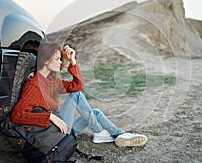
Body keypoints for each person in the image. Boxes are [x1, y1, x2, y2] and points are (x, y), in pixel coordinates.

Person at [11, 42, 147, 148]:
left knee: (96, 113)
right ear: (46, 61)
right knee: (76, 95)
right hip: (53, 132)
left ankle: (120, 135)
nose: (60, 62)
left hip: (61, 128)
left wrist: (73, 61)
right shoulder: (34, 84)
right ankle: (100, 133)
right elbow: (17, 115)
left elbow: (78, 85)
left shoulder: (52, 81)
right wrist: (50, 116)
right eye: (57, 59)